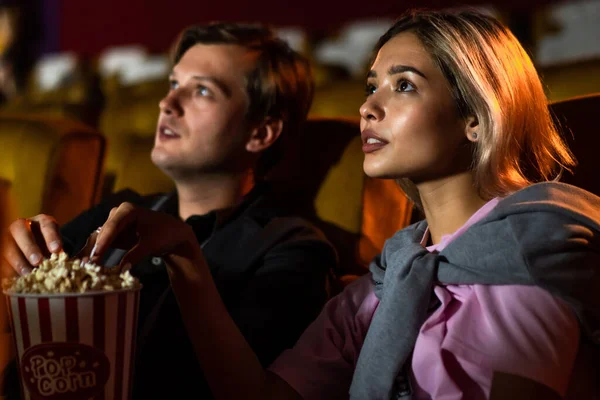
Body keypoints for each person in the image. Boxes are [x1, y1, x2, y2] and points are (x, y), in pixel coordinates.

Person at [75, 9, 600, 400]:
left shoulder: (529, 251)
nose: (368, 107)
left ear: (477, 118)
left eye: (404, 86)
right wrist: (186, 256)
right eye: (373, 86)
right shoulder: (391, 276)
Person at [2, 23, 337, 398]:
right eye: (174, 84)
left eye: (203, 91)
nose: (167, 103)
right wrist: (21, 253)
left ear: (261, 132)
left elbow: (252, 390)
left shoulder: (291, 248)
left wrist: (185, 257)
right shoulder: (121, 209)